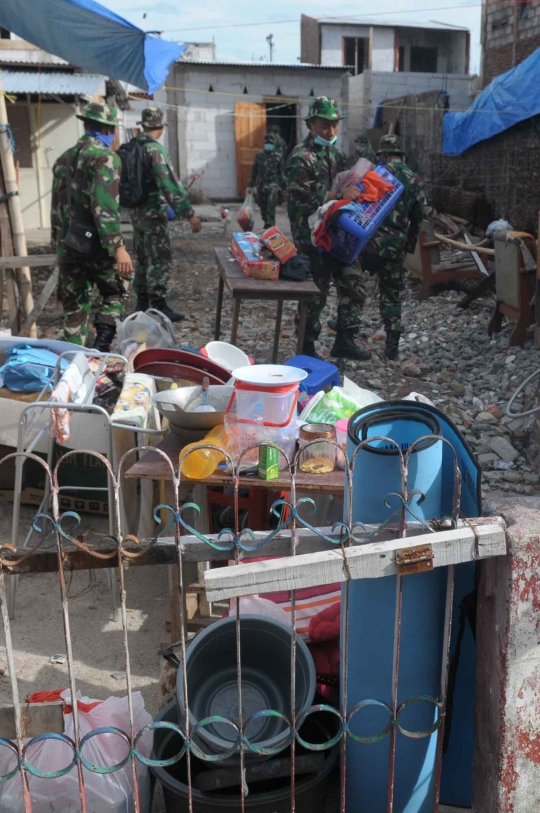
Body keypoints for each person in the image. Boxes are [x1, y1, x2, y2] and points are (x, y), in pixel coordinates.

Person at [286, 96, 370, 361]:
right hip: (312, 238)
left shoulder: (335, 154)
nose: (331, 131)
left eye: (334, 125)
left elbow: (346, 187)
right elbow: (301, 198)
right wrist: (336, 193)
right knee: (315, 296)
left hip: (338, 233)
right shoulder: (302, 157)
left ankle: (345, 340)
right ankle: (306, 348)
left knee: (354, 285)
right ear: (311, 124)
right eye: (325, 126)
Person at [51, 102, 133, 350]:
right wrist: (118, 247)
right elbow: (104, 207)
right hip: (96, 245)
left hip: (68, 245)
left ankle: (74, 360)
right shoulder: (105, 158)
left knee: (74, 307)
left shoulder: (63, 159)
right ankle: (102, 345)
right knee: (120, 285)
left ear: (86, 126)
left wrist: (58, 246)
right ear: (109, 129)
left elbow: (57, 208)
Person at [130, 106, 202, 321]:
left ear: (143, 126)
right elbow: (170, 185)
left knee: (142, 258)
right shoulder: (155, 150)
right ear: (160, 128)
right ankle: (159, 305)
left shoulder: (131, 147)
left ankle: (141, 304)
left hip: (135, 212)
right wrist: (189, 214)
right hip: (153, 213)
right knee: (159, 259)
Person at [363, 134, 425, 360]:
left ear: (383, 154)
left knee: (352, 285)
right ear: (401, 154)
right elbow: (418, 218)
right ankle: (392, 346)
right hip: (394, 247)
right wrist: (408, 244)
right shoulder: (414, 179)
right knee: (391, 295)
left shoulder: (375, 174)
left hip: (367, 242)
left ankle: (345, 332)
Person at [248, 133, 286, 229]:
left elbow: (281, 173)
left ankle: (270, 225)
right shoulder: (259, 155)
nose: (269, 145)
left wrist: (285, 186)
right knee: (263, 207)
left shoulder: (278, 156)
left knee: (270, 205)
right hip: (261, 185)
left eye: (271, 143)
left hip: (273, 185)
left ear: (274, 144)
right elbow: (254, 171)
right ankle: (266, 222)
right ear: (264, 144)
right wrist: (250, 185)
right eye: (267, 143)